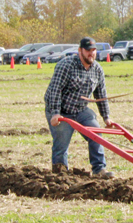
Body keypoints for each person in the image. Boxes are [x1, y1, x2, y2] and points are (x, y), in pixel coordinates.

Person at [45, 37, 114, 177]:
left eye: (94, 50)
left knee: (96, 134)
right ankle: (60, 174)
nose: (91, 54)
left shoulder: (97, 69)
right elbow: (55, 90)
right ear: (80, 51)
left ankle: (99, 169)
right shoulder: (66, 65)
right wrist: (55, 113)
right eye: (88, 50)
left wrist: (106, 117)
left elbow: (101, 95)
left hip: (81, 110)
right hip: (61, 110)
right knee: (61, 143)